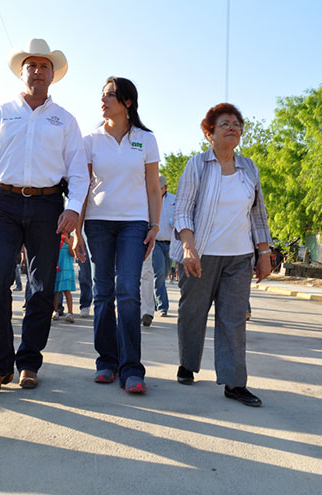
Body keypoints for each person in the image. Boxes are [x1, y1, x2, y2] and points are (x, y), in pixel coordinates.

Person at [0, 39, 89, 395]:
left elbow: (79, 172)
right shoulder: (1, 113)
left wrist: (72, 209)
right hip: (3, 203)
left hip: (47, 206)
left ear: (53, 75)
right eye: (31, 65)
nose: (38, 71)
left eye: (44, 66)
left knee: (41, 287)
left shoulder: (65, 120)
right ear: (22, 72)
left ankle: (29, 364)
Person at [171, 103, 271, 407]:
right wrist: (188, 247)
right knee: (192, 313)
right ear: (209, 133)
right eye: (225, 123)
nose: (233, 128)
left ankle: (234, 382)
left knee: (233, 320)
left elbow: (258, 214)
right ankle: (188, 363)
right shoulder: (197, 165)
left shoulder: (249, 167)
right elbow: (183, 210)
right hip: (201, 255)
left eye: (237, 124)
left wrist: (264, 252)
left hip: (239, 257)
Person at [74, 77, 162, 394]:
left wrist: (154, 225)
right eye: (102, 94)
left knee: (128, 291)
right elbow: (81, 189)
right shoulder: (90, 140)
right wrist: (76, 232)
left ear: (127, 102)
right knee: (102, 293)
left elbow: (153, 187)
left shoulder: (146, 140)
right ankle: (107, 363)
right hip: (98, 223)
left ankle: (132, 368)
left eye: (110, 94)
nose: (103, 99)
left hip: (133, 224)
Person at [152, 175, 175, 317]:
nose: (157, 190)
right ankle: (163, 306)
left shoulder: (174, 200)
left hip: (170, 244)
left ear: (165, 187)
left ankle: (154, 300)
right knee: (158, 273)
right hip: (155, 243)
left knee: (165, 274)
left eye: (159, 187)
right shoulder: (149, 199)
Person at [53, 234, 76, 323]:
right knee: (56, 290)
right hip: (57, 266)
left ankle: (70, 313)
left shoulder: (71, 238)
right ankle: (55, 311)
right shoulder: (56, 237)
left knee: (67, 290)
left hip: (67, 267)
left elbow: (73, 254)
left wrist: (69, 243)